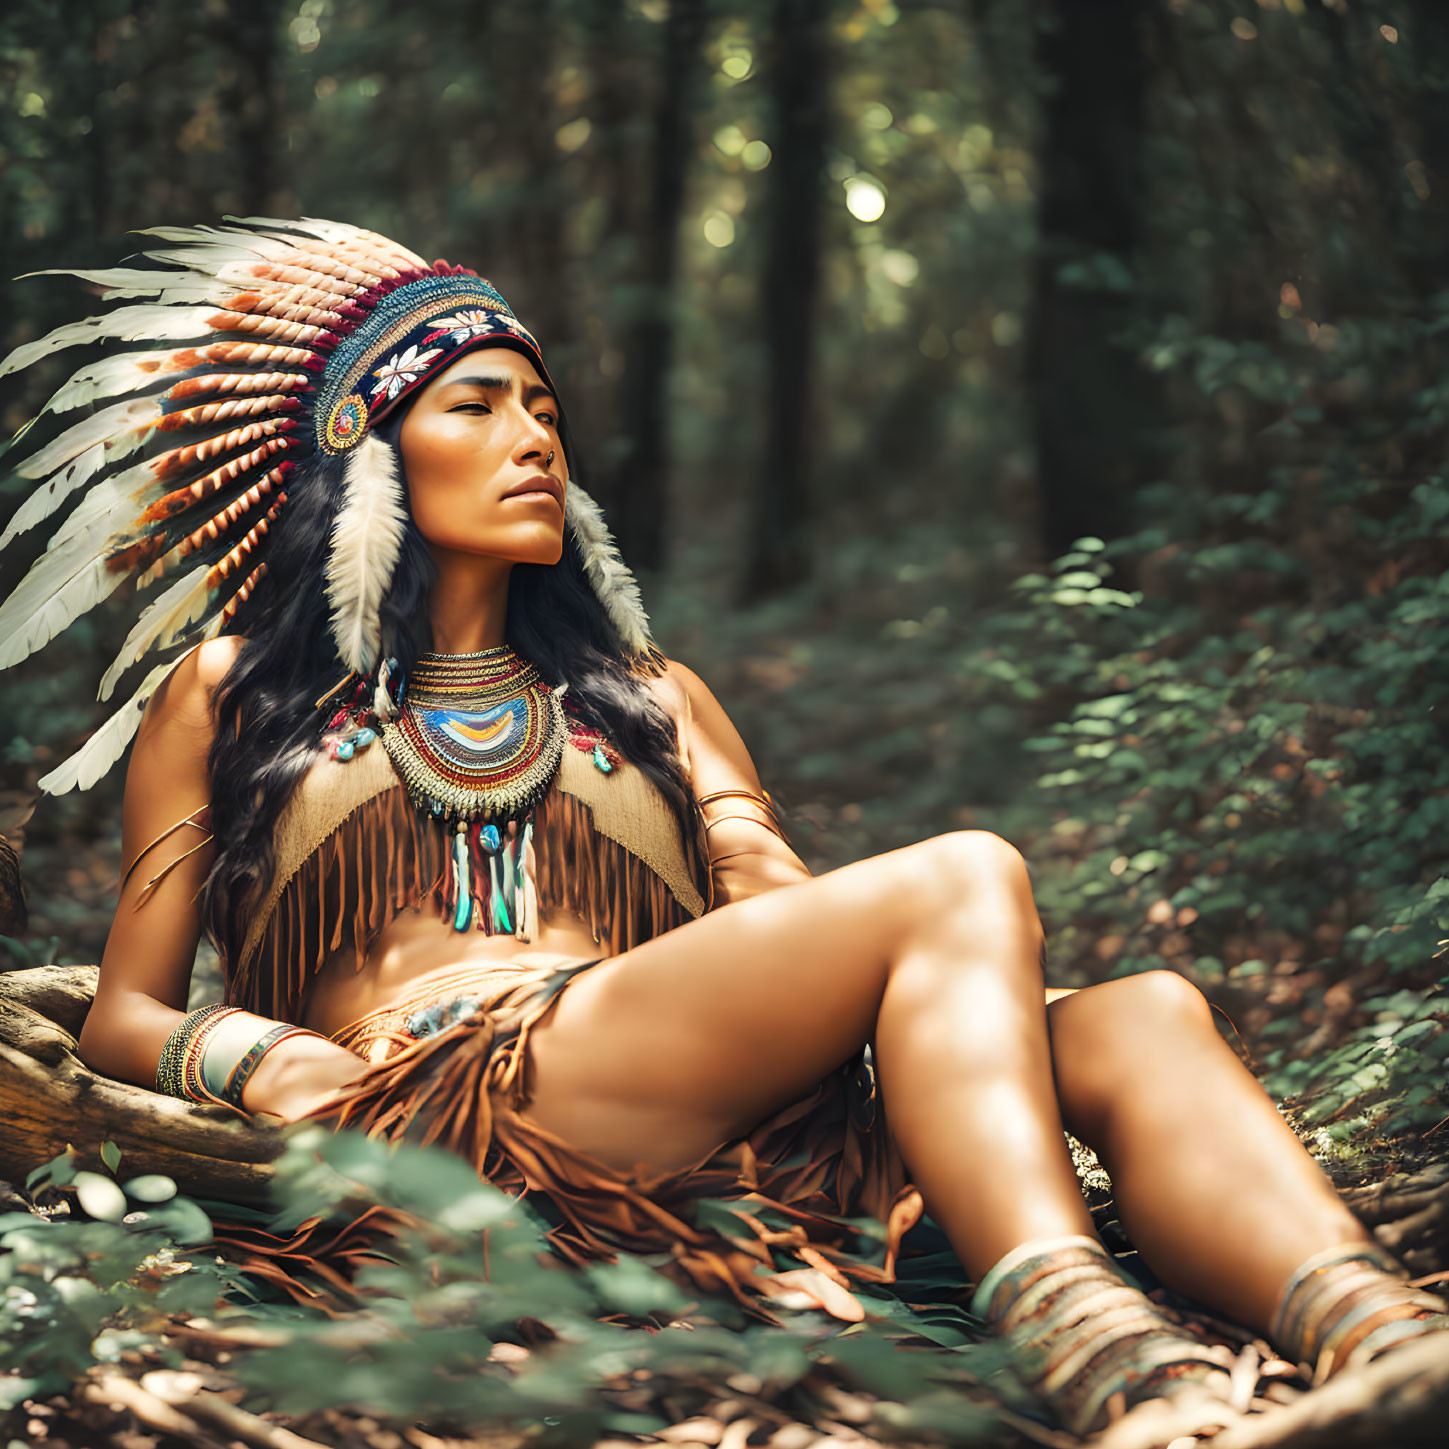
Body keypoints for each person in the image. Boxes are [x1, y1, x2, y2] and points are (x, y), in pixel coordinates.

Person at [0, 218, 1441, 1441]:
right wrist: (260, 1054)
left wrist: (892, 1054)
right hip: (453, 1101)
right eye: (477, 405)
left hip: (685, 1090)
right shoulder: (235, 692)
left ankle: (1376, 1333)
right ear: (363, 454)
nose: (533, 439)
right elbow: (128, 1008)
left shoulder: (652, 696)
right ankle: (1111, 1360)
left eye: (544, 409)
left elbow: (782, 908)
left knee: (1141, 1013)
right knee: (964, 874)